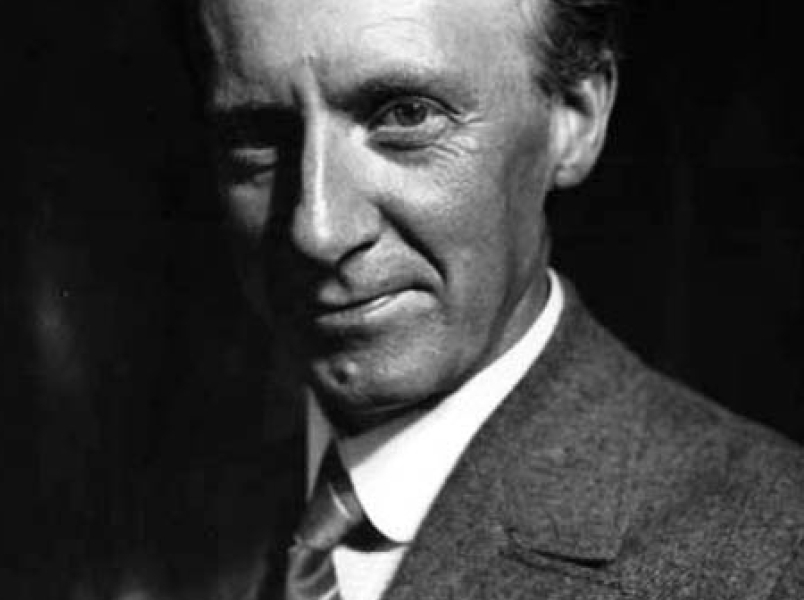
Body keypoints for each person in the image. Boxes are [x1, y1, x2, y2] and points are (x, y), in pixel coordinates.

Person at [176, 0, 804, 598]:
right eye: (257, 133)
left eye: (405, 114)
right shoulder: (153, 513)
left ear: (576, 118)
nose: (318, 230)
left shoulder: (774, 557)